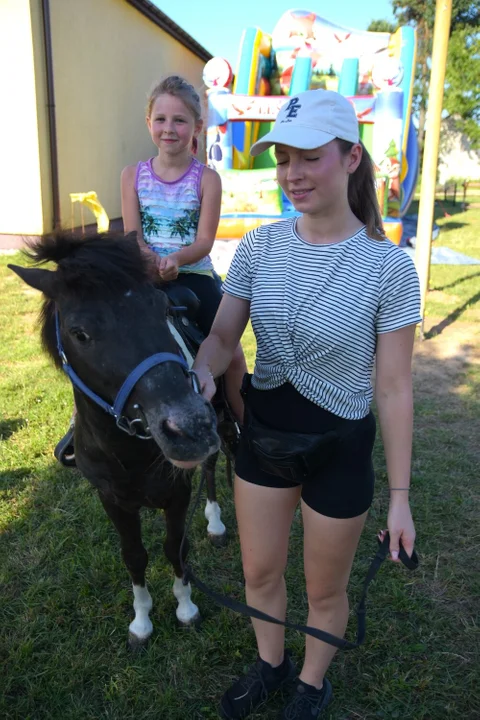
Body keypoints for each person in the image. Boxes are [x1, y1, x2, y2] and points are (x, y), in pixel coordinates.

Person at [193, 89, 421, 720]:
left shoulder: (390, 268)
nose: (291, 174)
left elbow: (395, 386)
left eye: (309, 157)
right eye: (283, 159)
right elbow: (220, 336)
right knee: (260, 574)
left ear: (351, 159)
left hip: (339, 450)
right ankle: (272, 663)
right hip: (265, 438)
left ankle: (312, 681)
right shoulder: (259, 248)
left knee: (326, 588)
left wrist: (400, 501)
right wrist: (205, 372)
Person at [54, 76, 246, 465]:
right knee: (103, 338)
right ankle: (83, 421)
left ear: (196, 126)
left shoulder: (207, 178)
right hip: (142, 274)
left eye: (179, 120)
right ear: (148, 123)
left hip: (194, 275)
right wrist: (146, 259)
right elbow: (133, 234)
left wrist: (176, 260)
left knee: (235, 353)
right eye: (160, 119)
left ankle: (243, 429)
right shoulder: (132, 175)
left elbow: (205, 240)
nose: (169, 129)